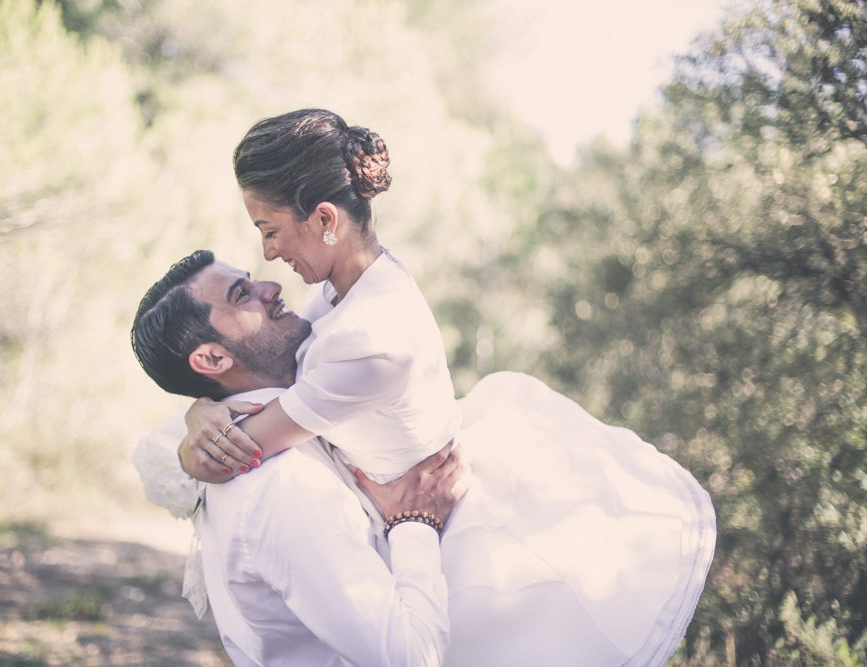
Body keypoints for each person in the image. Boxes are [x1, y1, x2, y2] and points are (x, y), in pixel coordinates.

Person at [172, 109, 716, 666]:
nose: (268, 253)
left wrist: (196, 437)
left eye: (270, 230)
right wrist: (199, 409)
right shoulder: (351, 287)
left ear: (325, 218)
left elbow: (241, 448)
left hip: (440, 532)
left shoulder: (368, 339)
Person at [131, 250, 467, 666]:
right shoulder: (284, 486)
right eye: (242, 296)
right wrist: (416, 522)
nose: (270, 288)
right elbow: (411, 658)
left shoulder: (260, 433)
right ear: (214, 359)